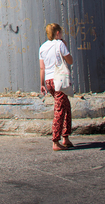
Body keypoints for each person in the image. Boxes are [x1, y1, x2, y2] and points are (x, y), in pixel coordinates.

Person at [39, 22, 73, 151]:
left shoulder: (42, 47)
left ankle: (65, 137)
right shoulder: (60, 44)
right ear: (57, 33)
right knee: (59, 109)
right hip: (59, 80)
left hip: (48, 81)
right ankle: (55, 140)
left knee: (65, 106)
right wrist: (65, 46)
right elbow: (70, 60)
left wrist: (42, 84)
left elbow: (42, 68)